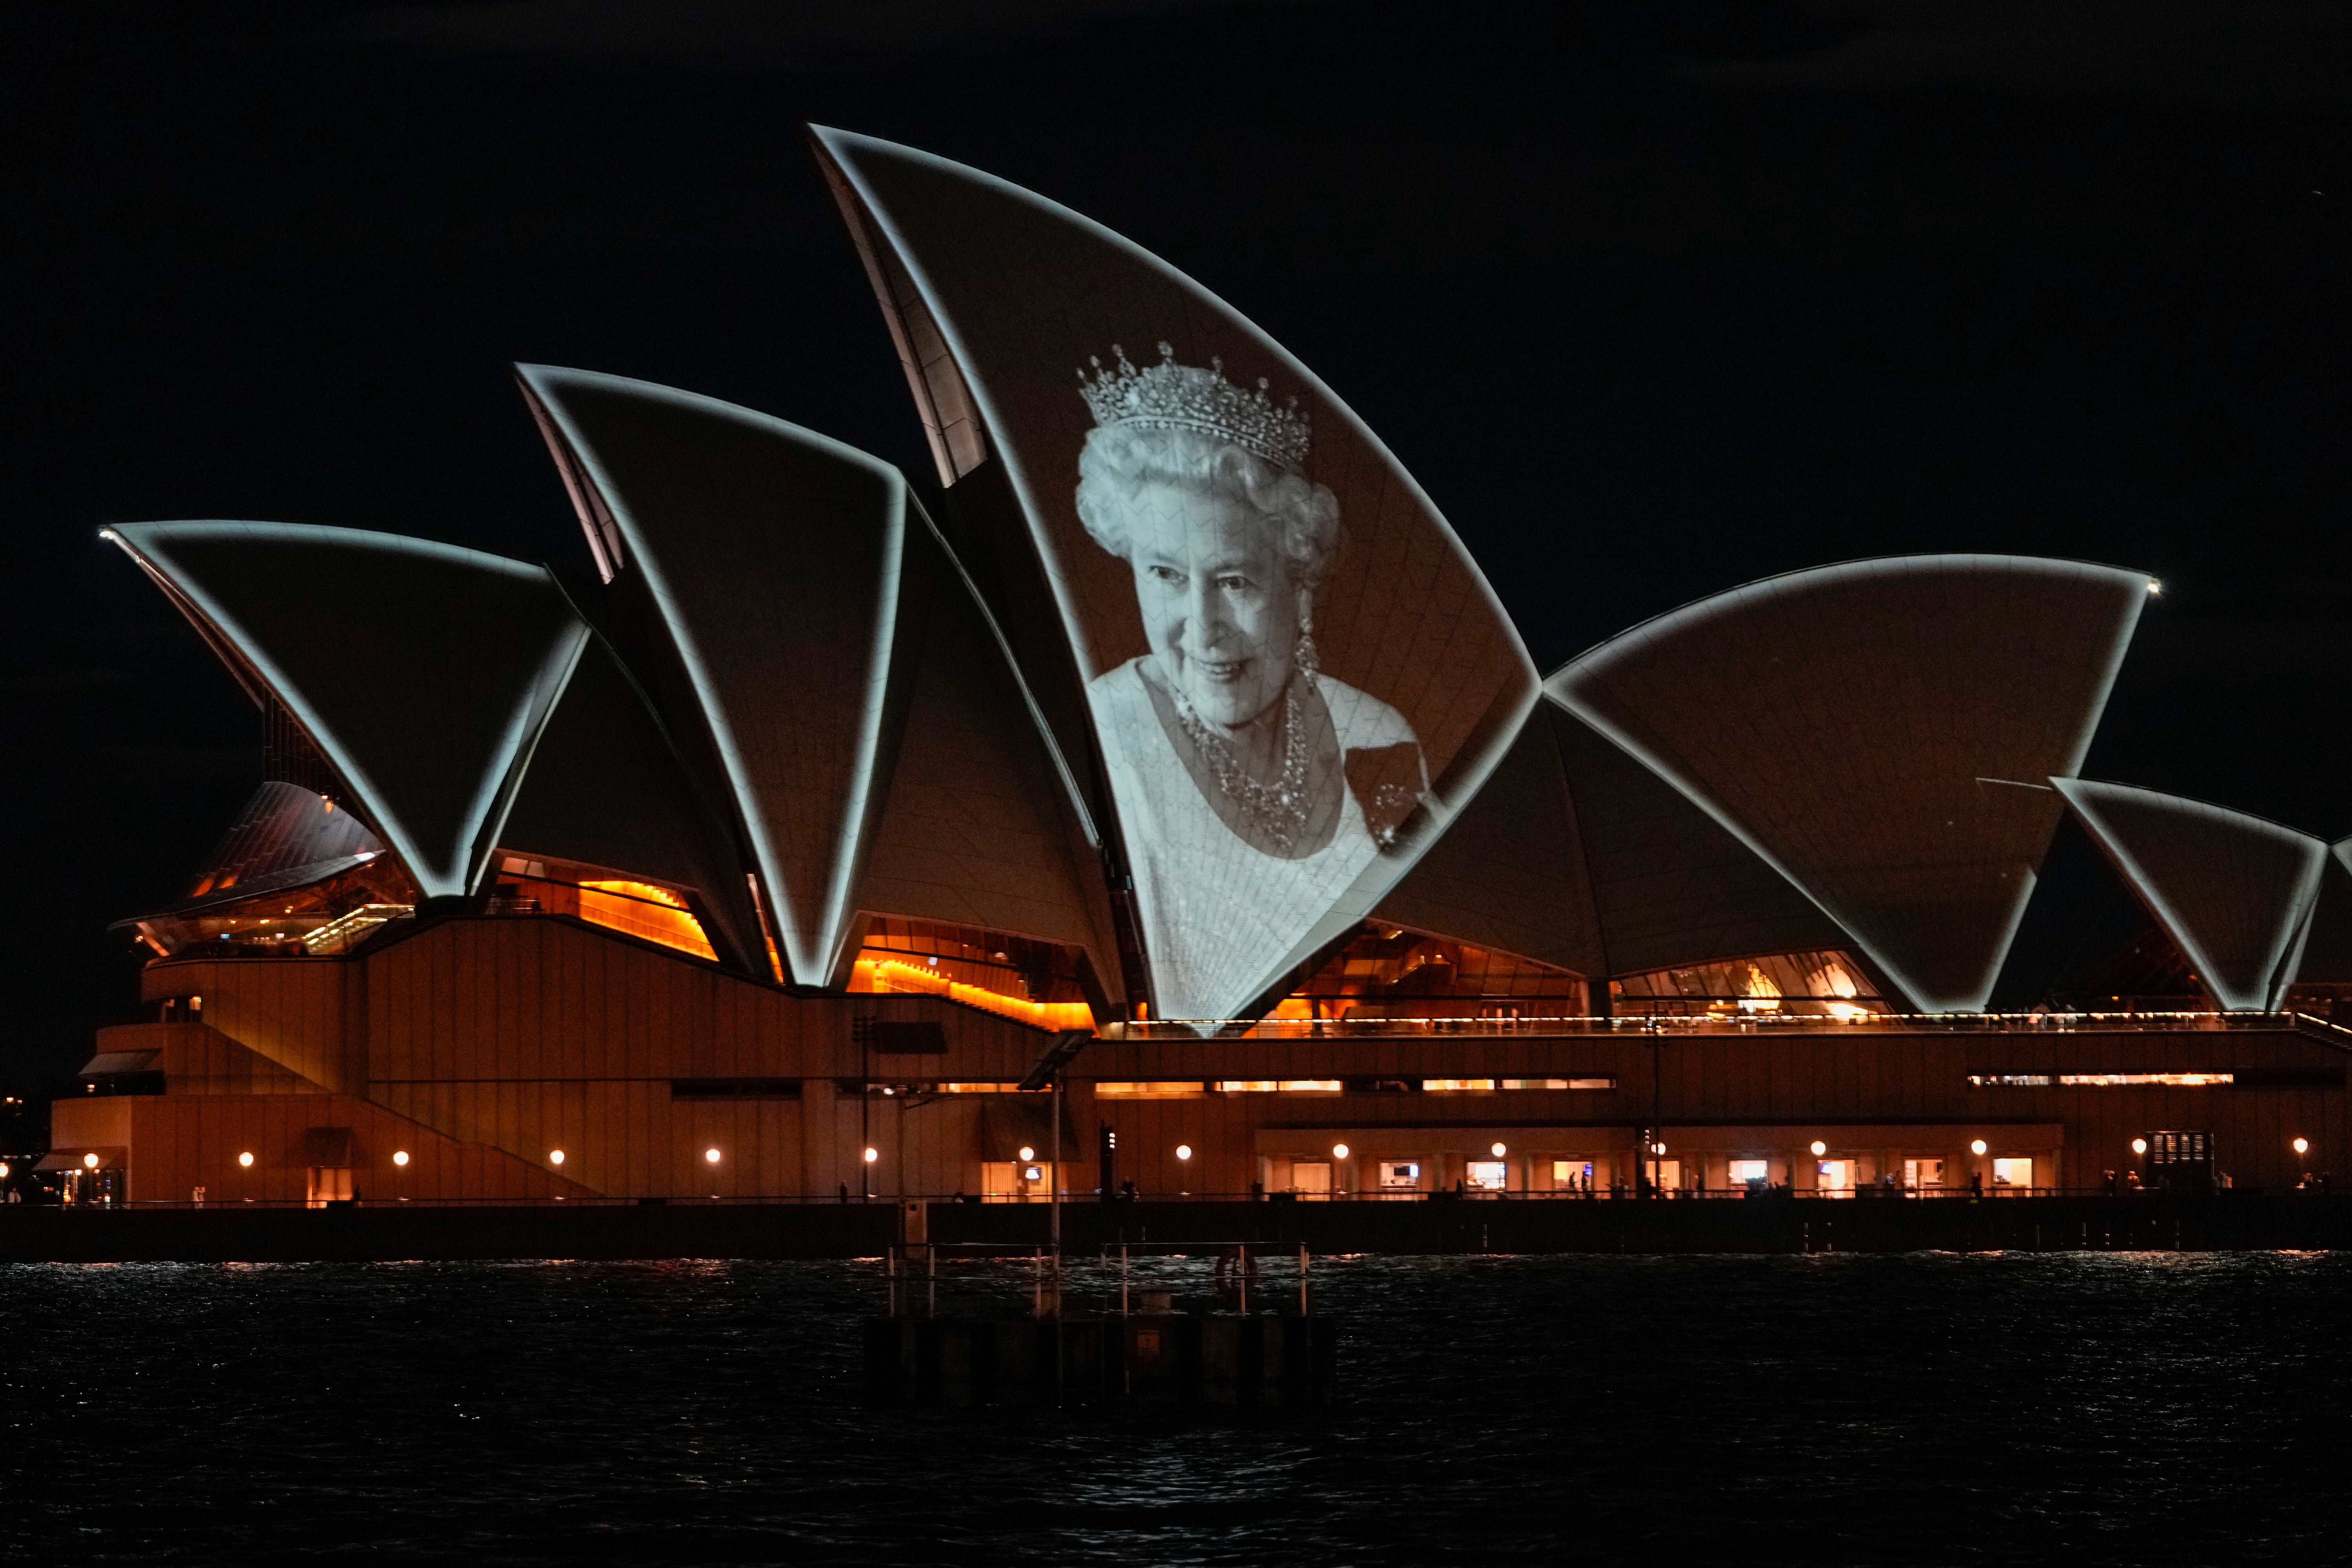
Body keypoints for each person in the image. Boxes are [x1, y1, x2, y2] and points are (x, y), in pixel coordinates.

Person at [1076, 344, 1429, 1021]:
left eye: (1234, 581)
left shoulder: (1380, 733)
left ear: (1299, 584)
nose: (1202, 627)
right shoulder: (1099, 739)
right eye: (1167, 575)